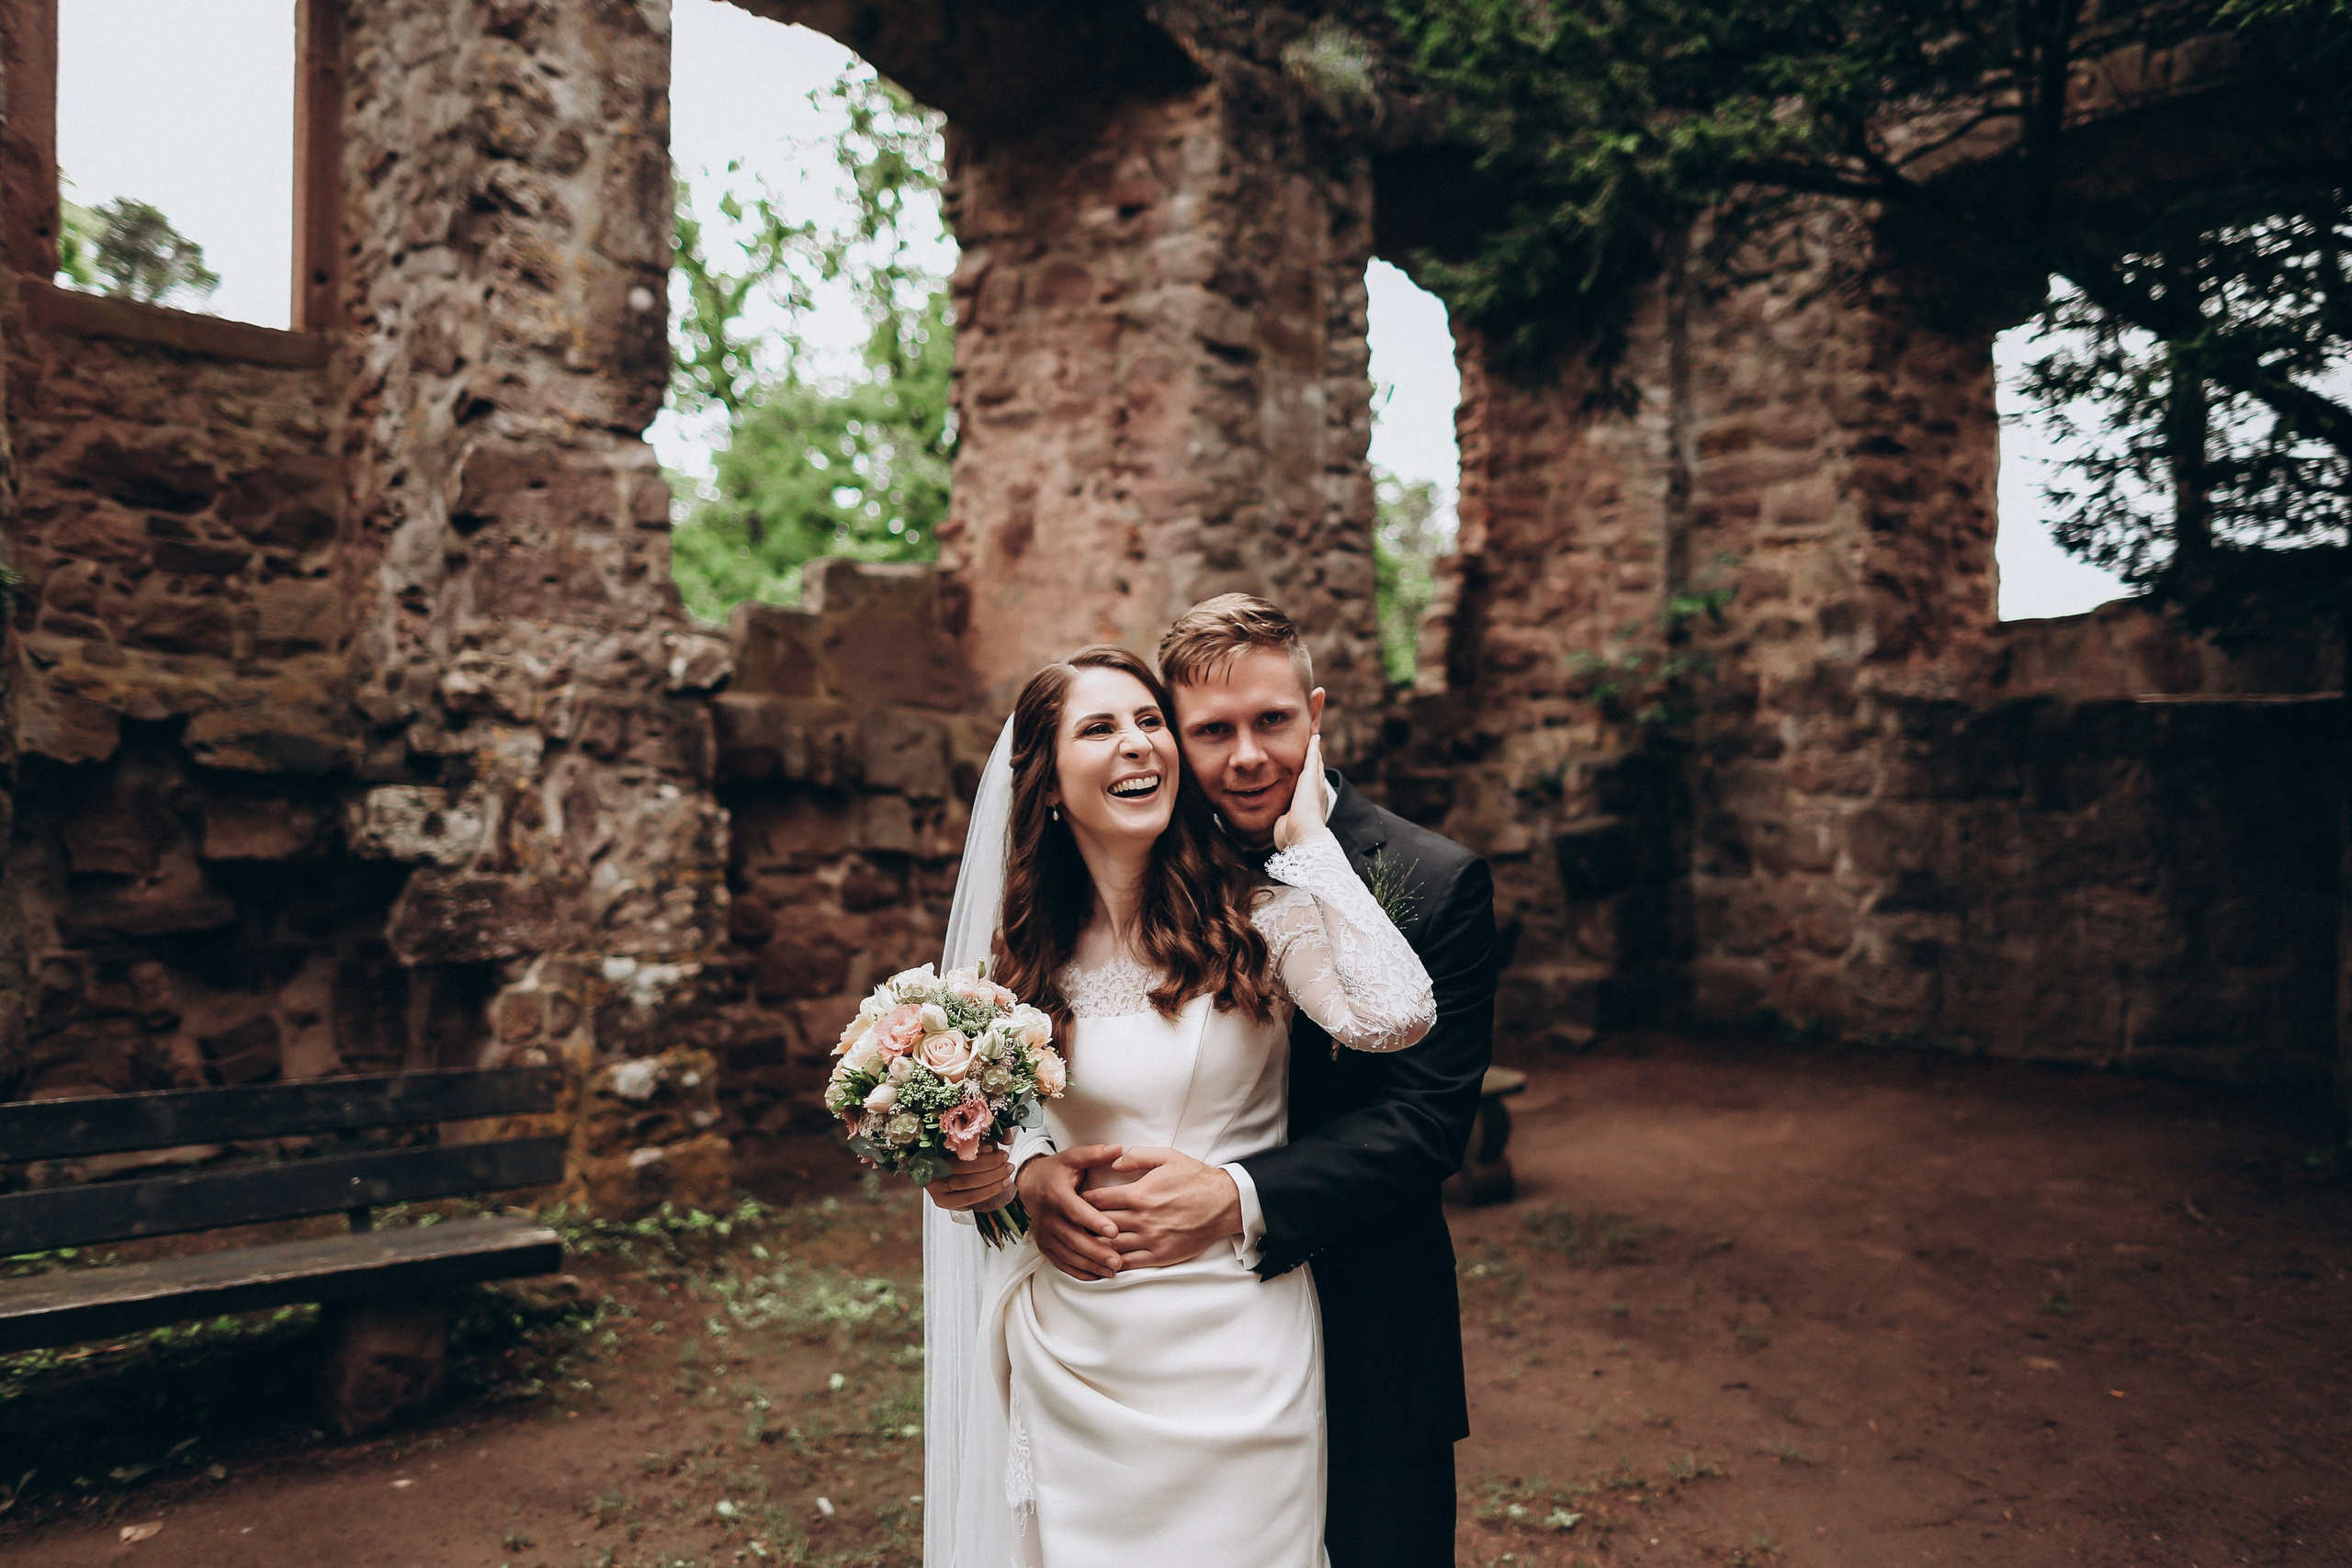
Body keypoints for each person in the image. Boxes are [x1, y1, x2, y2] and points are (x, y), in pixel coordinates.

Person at [923, 643, 1436, 1568]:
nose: (1137, 743)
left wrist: (1311, 846)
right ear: (1048, 784)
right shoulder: (1020, 954)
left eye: (1150, 720)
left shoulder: (1260, 916)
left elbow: (1395, 1018)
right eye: (1099, 727)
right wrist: (1015, 1174)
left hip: (1238, 1342)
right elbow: (988, 1142)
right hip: (1077, 1341)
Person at [1019, 596, 1498, 1568]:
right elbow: (1036, 1056)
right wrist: (1029, 1167)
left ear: (1314, 713)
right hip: (1130, 1332)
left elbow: (1424, 1121)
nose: (1245, 757)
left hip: (1364, 1319)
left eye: (1272, 721)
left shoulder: (1434, 879)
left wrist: (1235, 1195)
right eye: (1210, 731)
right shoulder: (1127, 869)